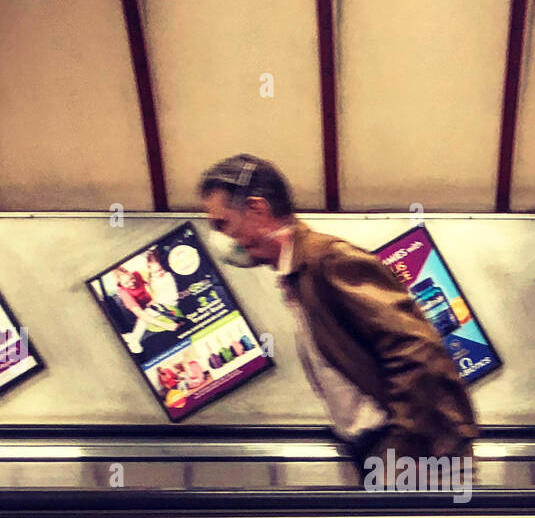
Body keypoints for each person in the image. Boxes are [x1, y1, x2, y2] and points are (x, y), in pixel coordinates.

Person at [199, 154, 478, 489]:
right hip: (384, 447)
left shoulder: (329, 261)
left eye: (223, 224)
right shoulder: (298, 275)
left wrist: (404, 445)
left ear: (258, 210)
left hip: (420, 450)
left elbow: (414, 346)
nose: (222, 239)